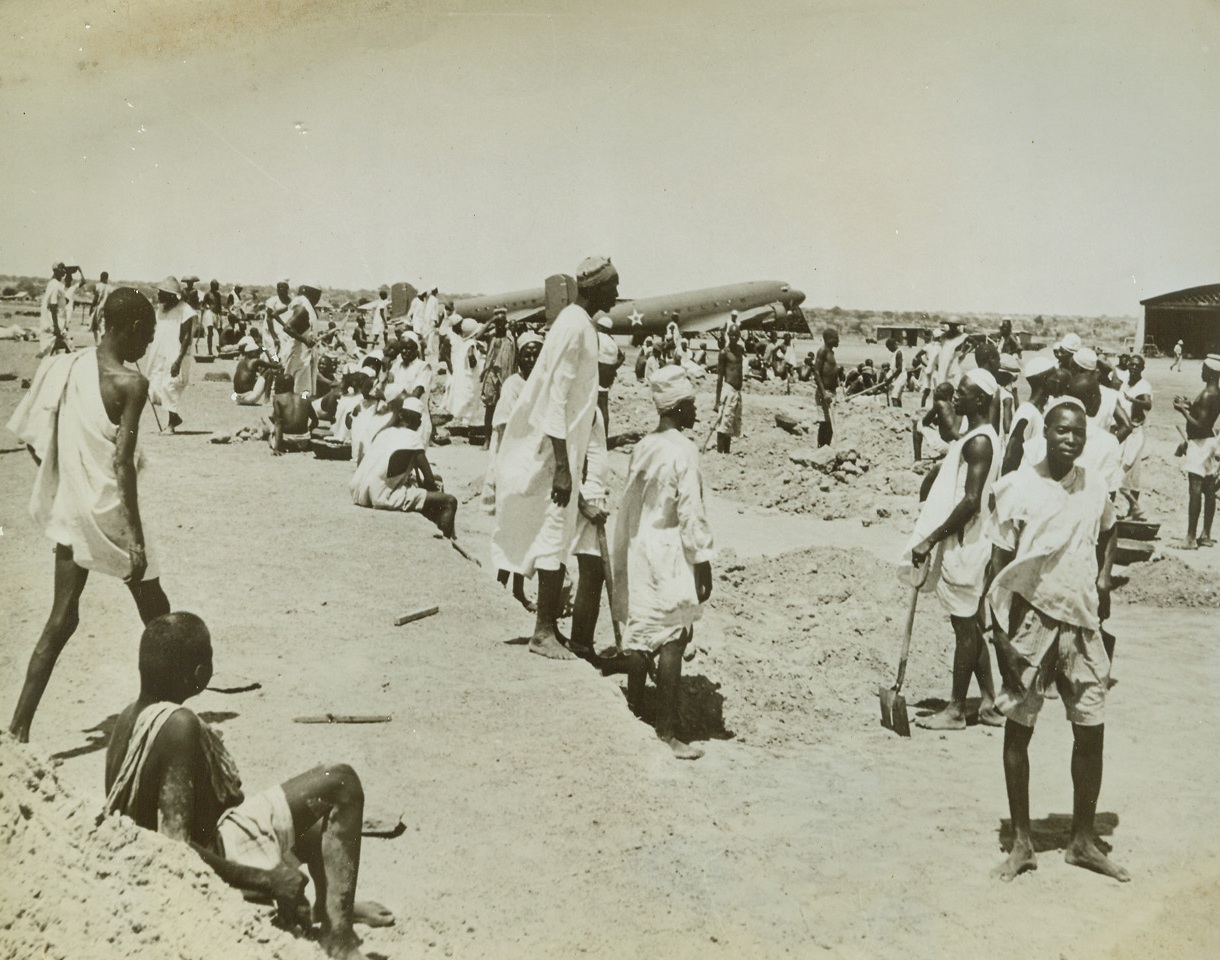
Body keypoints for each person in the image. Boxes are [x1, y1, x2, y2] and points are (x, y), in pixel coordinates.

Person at [103, 612, 393, 959]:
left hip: (191, 853)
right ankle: (339, 938)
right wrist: (267, 880)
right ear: (201, 674)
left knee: (318, 826)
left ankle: (329, 908)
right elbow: (174, 851)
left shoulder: (128, 718)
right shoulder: (179, 725)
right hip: (204, 866)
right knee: (342, 782)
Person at [6, 288, 171, 742]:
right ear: (133, 328)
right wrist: (134, 538)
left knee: (61, 618)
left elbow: (34, 438)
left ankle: (17, 729)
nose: (148, 344)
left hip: (73, 511)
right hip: (114, 514)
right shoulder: (132, 384)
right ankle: (168, 708)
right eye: (148, 335)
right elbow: (122, 465)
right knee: (157, 613)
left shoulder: (65, 366)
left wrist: (69, 485)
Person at [984, 399, 1127, 883]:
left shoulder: (1095, 485)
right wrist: (1000, 636)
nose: (1071, 438)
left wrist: (1104, 577)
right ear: (1044, 432)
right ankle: (1022, 843)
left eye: (1079, 431)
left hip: (1083, 624)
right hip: (1033, 621)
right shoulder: (1019, 486)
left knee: (1091, 729)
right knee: (1019, 728)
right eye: (1062, 430)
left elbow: (1110, 529)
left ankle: (1082, 841)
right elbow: (998, 565)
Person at [490, 256, 615, 660]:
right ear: (596, 288)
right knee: (552, 533)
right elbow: (556, 400)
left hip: (563, 451)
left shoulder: (579, 324)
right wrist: (563, 466)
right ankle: (543, 631)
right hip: (552, 453)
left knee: (556, 537)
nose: (617, 292)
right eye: (613, 285)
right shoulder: (574, 326)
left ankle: (550, 628)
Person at [611, 365, 715, 760]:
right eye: (691, 405)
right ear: (677, 407)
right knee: (674, 635)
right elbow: (691, 511)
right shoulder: (684, 450)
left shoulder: (644, 446)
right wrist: (702, 561)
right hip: (670, 547)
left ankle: (634, 712)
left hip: (641, 544)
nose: (696, 412)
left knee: (641, 631)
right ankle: (666, 731)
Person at [904, 368, 1003, 730]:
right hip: (971, 541)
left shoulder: (980, 443)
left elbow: (971, 501)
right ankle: (989, 702)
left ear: (980, 400)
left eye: (962, 392)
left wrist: (930, 538)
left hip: (968, 544)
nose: (955, 397)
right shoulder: (977, 437)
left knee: (964, 628)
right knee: (971, 625)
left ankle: (957, 710)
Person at [482, 333, 543, 610]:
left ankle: (517, 588)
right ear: (519, 358)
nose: (532, 358)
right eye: (527, 353)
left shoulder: (543, 382)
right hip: (512, 458)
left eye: (536, 353)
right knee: (510, 524)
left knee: (525, 527)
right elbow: (505, 426)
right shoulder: (513, 385)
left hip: (533, 460)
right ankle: (501, 585)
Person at [349, 393, 457, 536]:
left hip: (360, 491)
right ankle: (446, 539)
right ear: (418, 422)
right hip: (380, 495)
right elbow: (429, 479)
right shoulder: (413, 438)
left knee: (422, 489)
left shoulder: (385, 432)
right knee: (449, 501)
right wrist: (432, 493)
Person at [566, 407, 611, 659]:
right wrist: (583, 505)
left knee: (594, 573)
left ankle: (583, 644)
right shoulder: (586, 407)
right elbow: (569, 454)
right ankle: (580, 644)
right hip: (588, 497)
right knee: (591, 572)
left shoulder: (593, 406)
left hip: (593, 494)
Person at [1174, 356, 1220, 548]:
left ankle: (1191, 537)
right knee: (1209, 489)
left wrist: (1182, 411)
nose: (1201, 372)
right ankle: (1205, 534)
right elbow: (1205, 417)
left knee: (1195, 488)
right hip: (1209, 442)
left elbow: (1201, 425)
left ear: (1210, 373)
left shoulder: (1208, 394)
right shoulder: (1215, 392)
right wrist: (1190, 406)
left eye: (1203, 369)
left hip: (1200, 444)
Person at [146, 276, 197, 432]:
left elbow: (187, 338)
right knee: (155, 386)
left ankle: (171, 424)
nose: (158, 295)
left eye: (161, 293)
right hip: (160, 353)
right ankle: (174, 417)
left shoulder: (186, 311)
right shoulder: (160, 310)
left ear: (170, 294)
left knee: (169, 386)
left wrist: (178, 361)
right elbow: (158, 331)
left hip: (176, 353)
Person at [1002, 356, 1057, 474]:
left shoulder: (1044, 410)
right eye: (1055, 377)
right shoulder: (1027, 412)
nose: (1058, 381)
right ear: (1044, 380)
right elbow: (1010, 458)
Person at [1117, 355, 1153, 520]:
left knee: (1130, 470)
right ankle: (1131, 509)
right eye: (1131, 365)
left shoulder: (1144, 386)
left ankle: (1134, 508)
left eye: (1137, 366)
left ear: (1142, 369)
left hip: (1135, 432)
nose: (1133, 368)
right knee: (1120, 467)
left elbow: (1148, 404)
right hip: (1122, 430)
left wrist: (1133, 400)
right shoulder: (1125, 382)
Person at [479, 307, 516, 449]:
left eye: (502, 323)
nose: (500, 326)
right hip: (491, 374)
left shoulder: (511, 339)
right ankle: (487, 439)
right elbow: (478, 336)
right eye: (497, 323)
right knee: (489, 407)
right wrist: (491, 321)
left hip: (505, 375)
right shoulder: (491, 338)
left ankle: (505, 439)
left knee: (506, 406)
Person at [279, 283, 321, 396]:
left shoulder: (309, 308)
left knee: (301, 388)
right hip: (299, 355)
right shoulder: (303, 309)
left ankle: (298, 405)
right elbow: (287, 327)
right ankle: (298, 406)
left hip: (304, 355)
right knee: (301, 390)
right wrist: (305, 340)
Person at [263, 372, 319, 454]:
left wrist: (276, 448)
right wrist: (308, 431)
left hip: (286, 440)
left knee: (266, 422)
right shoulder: (304, 398)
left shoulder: (278, 398)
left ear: (281, 386)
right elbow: (315, 421)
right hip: (303, 441)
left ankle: (281, 445)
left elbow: (278, 423)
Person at [444, 317, 484, 429]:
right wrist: (474, 363)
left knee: (465, 399)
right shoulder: (471, 343)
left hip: (464, 376)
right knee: (471, 399)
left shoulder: (464, 342)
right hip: (470, 377)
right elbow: (470, 355)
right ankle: (467, 422)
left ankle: (465, 421)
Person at [712, 322, 746, 454]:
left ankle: (726, 452)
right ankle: (720, 453)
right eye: (731, 335)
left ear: (739, 336)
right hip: (728, 389)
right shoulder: (724, 353)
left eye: (736, 335)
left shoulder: (740, 350)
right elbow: (720, 378)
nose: (734, 338)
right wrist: (717, 401)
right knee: (723, 422)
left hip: (737, 391)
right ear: (728, 335)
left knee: (731, 423)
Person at [913, 381, 960, 463]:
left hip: (946, 447)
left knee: (917, 425)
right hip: (956, 446)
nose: (936, 392)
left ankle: (917, 460)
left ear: (946, 394)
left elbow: (925, 422)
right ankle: (944, 456)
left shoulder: (939, 403)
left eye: (938, 391)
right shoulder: (955, 405)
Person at [595, 314, 624, 435]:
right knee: (604, 407)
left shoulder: (597, 337)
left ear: (601, 327)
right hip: (607, 377)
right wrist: (612, 369)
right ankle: (604, 435)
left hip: (596, 374)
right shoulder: (612, 342)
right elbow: (622, 357)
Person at [811, 327, 840, 447]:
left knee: (830, 423)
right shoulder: (822, 351)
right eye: (836, 339)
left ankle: (826, 447)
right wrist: (824, 393)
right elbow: (816, 372)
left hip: (830, 392)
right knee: (825, 423)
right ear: (829, 339)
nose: (838, 341)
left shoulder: (831, 352)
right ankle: (821, 447)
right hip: (825, 392)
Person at [38, 261, 71, 357]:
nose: (64, 270)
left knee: (58, 352)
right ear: (56, 270)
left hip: (59, 322)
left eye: (64, 268)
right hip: (55, 324)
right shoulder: (54, 285)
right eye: (62, 268)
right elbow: (52, 306)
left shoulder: (56, 284)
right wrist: (56, 327)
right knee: (51, 353)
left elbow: (60, 301)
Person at [231, 337, 275, 405]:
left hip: (238, 399)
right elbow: (275, 365)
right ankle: (267, 399)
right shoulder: (255, 361)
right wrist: (266, 351)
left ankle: (265, 399)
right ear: (251, 353)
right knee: (269, 371)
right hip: (249, 398)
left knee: (263, 373)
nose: (258, 354)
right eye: (256, 352)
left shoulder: (241, 362)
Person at [263, 279, 293, 362]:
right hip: (271, 330)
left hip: (283, 331)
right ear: (277, 289)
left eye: (284, 287)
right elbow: (269, 318)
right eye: (280, 287)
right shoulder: (272, 301)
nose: (282, 290)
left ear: (287, 289)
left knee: (283, 352)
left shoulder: (290, 301)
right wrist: (274, 336)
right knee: (272, 352)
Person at [89, 271, 113, 344]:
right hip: (106, 308)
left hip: (98, 307)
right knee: (102, 325)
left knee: (95, 326)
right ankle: (102, 342)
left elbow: (95, 299)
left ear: (101, 277)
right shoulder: (110, 288)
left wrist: (91, 308)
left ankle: (98, 343)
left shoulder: (97, 286)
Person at [202, 279, 223, 356]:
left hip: (216, 314)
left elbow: (219, 305)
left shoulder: (218, 295)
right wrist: (205, 307)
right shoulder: (207, 294)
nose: (217, 287)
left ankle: (221, 349)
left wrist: (220, 316)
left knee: (220, 331)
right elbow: (203, 304)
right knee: (210, 332)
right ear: (212, 286)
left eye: (217, 286)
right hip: (209, 313)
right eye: (216, 286)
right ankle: (210, 351)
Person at [884, 337, 905, 407]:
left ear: (892, 345)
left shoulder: (898, 353)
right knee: (897, 397)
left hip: (901, 376)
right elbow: (893, 368)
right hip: (897, 376)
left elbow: (899, 369)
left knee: (894, 397)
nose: (888, 349)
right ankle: (899, 411)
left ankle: (896, 411)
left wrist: (890, 379)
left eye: (889, 347)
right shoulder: (894, 353)